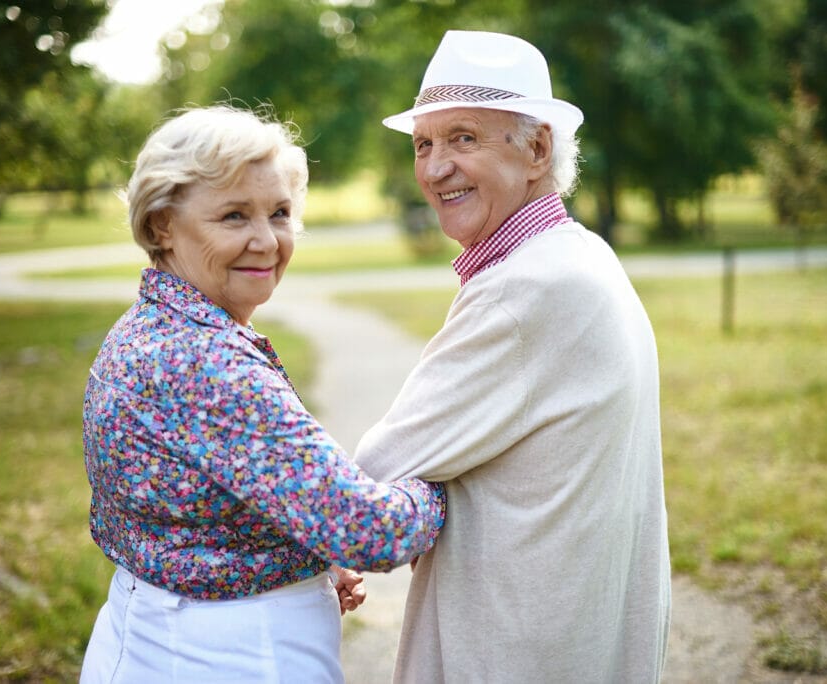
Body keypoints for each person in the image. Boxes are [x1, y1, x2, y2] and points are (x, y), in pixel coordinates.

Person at [79, 104, 445, 683]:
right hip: (232, 655)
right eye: (232, 216)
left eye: (279, 213)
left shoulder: (150, 326)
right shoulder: (204, 361)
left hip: (148, 636)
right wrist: (449, 486)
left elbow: (201, 507)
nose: (266, 241)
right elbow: (371, 530)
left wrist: (308, 556)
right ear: (161, 227)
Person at [354, 30, 671, 682]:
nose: (435, 167)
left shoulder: (527, 289)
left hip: (516, 654)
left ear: (536, 149)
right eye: (423, 144)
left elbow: (378, 471)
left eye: (463, 138)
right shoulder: (582, 254)